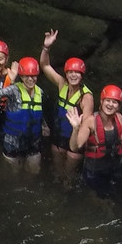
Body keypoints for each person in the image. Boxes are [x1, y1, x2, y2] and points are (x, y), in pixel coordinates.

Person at [39, 29, 94, 180]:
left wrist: (77, 144)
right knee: (57, 172)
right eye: (70, 72)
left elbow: (87, 123)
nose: (73, 75)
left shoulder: (86, 96)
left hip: (74, 140)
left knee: (68, 176)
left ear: (82, 75)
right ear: (66, 74)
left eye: (77, 73)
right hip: (58, 138)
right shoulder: (62, 84)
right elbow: (44, 66)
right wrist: (46, 47)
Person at [66, 84, 122, 199]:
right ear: (101, 102)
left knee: (116, 197)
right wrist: (76, 128)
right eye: (108, 100)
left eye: (114, 102)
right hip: (94, 172)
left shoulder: (119, 118)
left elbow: (121, 140)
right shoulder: (91, 121)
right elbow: (75, 146)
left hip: (114, 168)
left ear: (119, 106)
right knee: (99, 201)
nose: (110, 105)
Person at [0, 56, 46, 172]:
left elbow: (39, 112)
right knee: (13, 175)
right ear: (21, 76)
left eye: (33, 76)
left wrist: (44, 125)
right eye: (26, 76)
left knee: (33, 171)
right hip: (13, 141)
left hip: (33, 140)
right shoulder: (13, 90)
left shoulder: (40, 92)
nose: (30, 79)